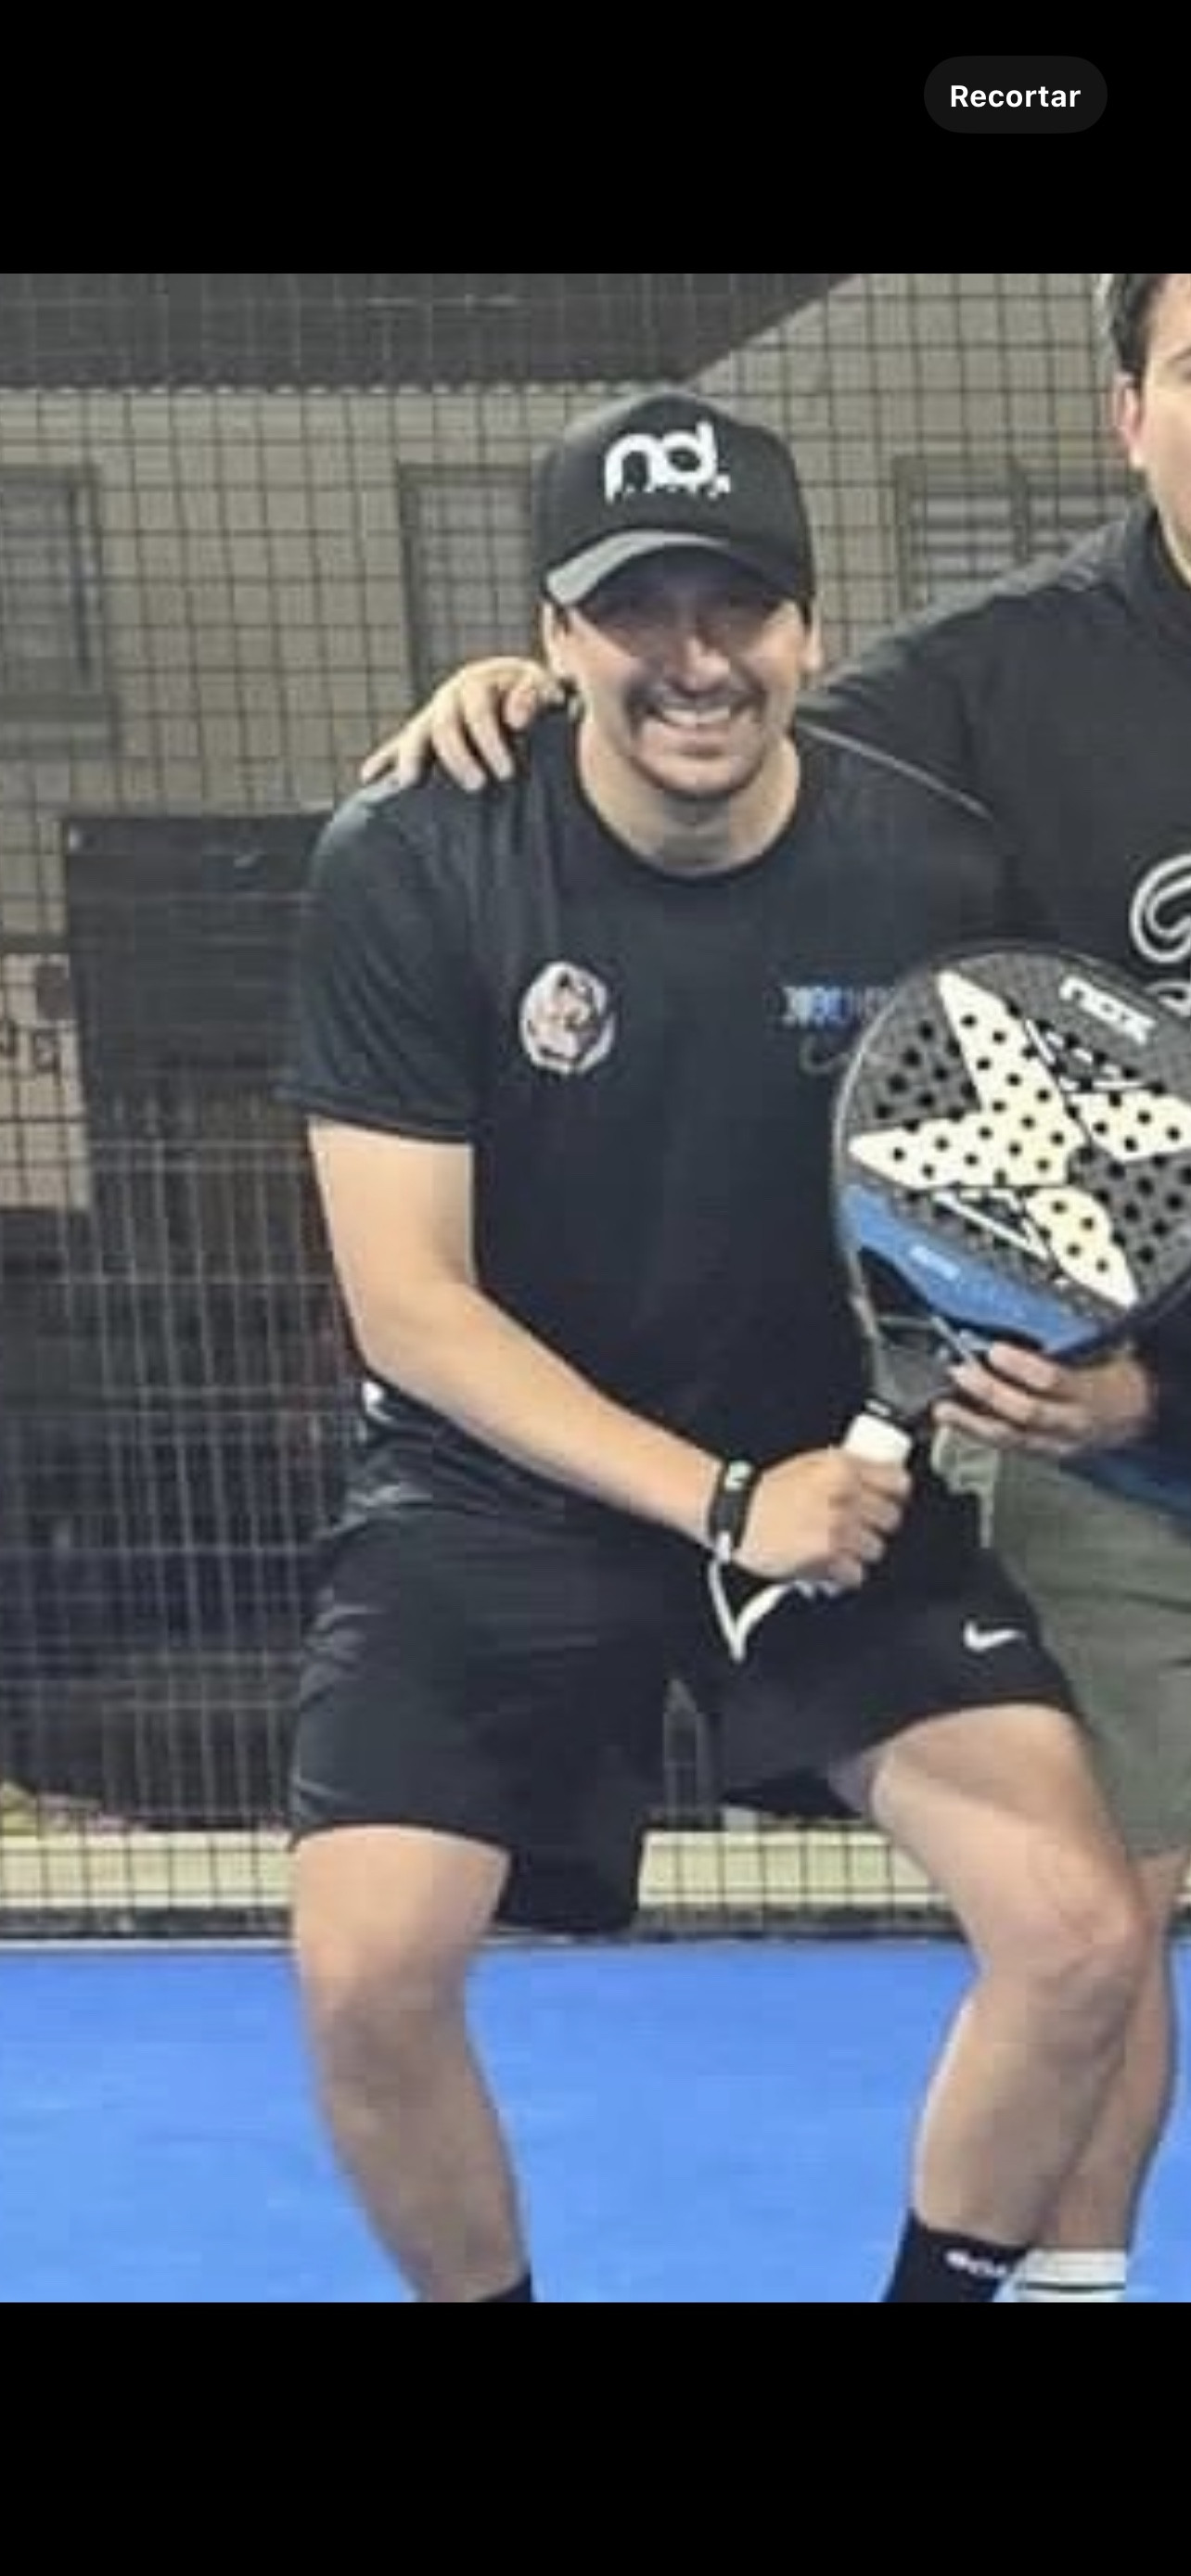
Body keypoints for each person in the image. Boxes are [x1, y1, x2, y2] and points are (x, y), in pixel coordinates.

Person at [363, 274, 1191, 2304]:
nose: (699, 643)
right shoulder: (990, 690)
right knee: (1112, 1909)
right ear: (1128, 411)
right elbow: (712, 729)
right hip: (1119, 1431)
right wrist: (539, 700)